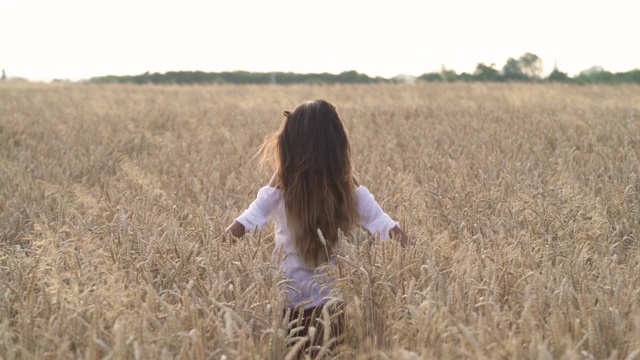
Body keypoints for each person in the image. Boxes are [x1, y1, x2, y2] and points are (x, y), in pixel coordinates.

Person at [225, 99, 409, 357]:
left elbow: (237, 229)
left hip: (287, 306)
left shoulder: (278, 194)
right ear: (338, 147)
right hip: (333, 308)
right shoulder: (352, 194)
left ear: (289, 145)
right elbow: (391, 232)